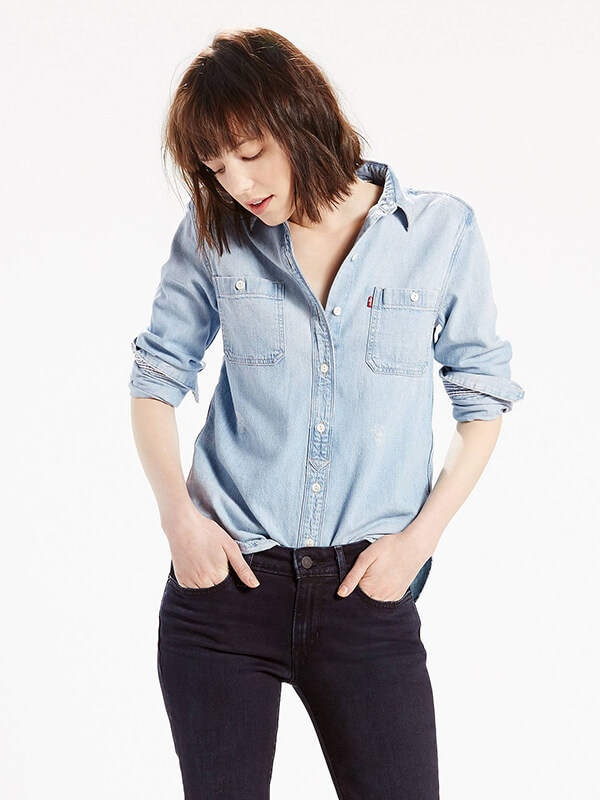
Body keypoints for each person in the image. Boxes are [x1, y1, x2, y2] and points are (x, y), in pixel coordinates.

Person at [129, 26, 525, 800]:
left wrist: (418, 543)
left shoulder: (438, 232)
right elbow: (155, 379)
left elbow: (481, 401)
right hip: (226, 589)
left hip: (366, 593)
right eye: (216, 167)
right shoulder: (215, 237)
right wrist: (179, 521)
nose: (238, 183)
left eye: (250, 152)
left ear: (302, 115)